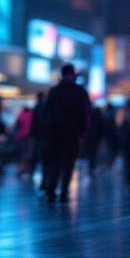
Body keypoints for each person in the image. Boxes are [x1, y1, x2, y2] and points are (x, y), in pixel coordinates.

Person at [40, 65, 91, 203]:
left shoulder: (54, 91)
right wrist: (84, 132)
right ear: (72, 74)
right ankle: (64, 192)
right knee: (69, 163)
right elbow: (86, 113)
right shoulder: (80, 91)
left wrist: (48, 130)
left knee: (55, 162)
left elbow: (46, 112)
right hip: (73, 133)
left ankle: (51, 191)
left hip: (55, 133)